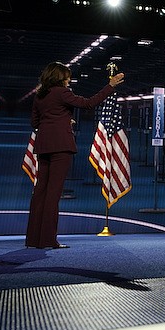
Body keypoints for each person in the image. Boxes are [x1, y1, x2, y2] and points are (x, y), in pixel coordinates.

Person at [27, 61, 125, 249]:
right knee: (53, 194)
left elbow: (35, 122)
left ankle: (33, 239)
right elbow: (88, 103)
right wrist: (110, 86)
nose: (69, 80)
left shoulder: (40, 94)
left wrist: (61, 120)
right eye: (67, 77)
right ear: (59, 77)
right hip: (60, 146)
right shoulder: (61, 92)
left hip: (43, 145)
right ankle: (48, 240)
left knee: (40, 192)